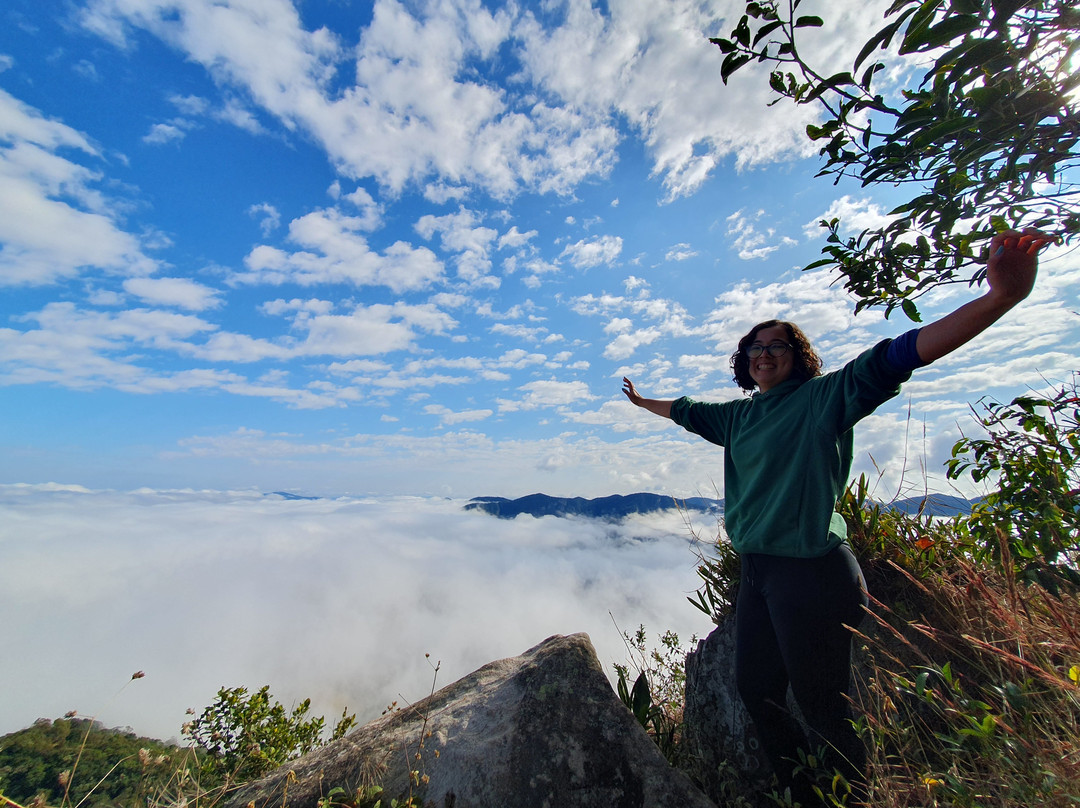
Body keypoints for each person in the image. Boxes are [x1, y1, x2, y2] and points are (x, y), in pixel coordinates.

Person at [621, 229, 1053, 804]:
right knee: (758, 691)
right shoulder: (736, 419)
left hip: (813, 573)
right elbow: (687, 410)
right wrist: (643, 401)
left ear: (797, 358)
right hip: (758, 571)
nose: (765, 354)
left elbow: (901, 353)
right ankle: (803, 795)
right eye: (755, 348)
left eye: (777, 346)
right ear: (744, 364)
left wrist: (1000, 298)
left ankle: (852, 798)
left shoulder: (825, 398)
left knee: (826, 705)